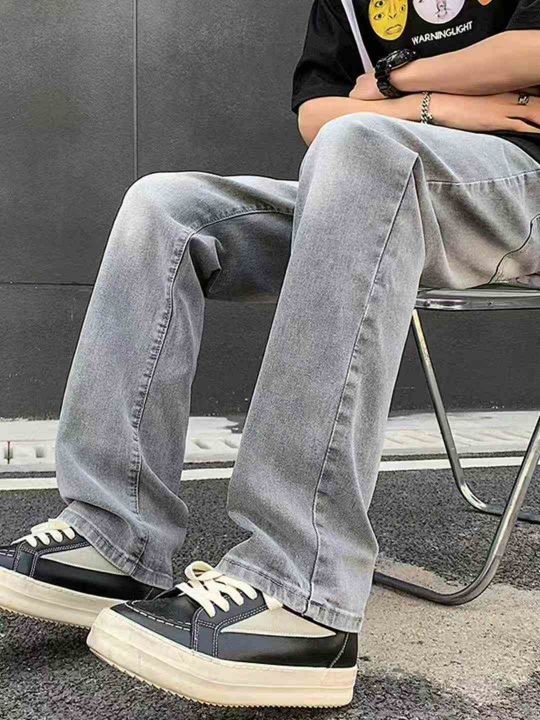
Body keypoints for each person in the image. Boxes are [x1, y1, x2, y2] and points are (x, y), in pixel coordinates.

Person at [1, 0, 539, 709]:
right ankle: (114, 535)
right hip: (378, 180)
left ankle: (302, 591)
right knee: (166, 206)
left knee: (364, 144)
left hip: (520, 187)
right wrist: (444, 104)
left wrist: (393, 81)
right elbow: (319, 117)